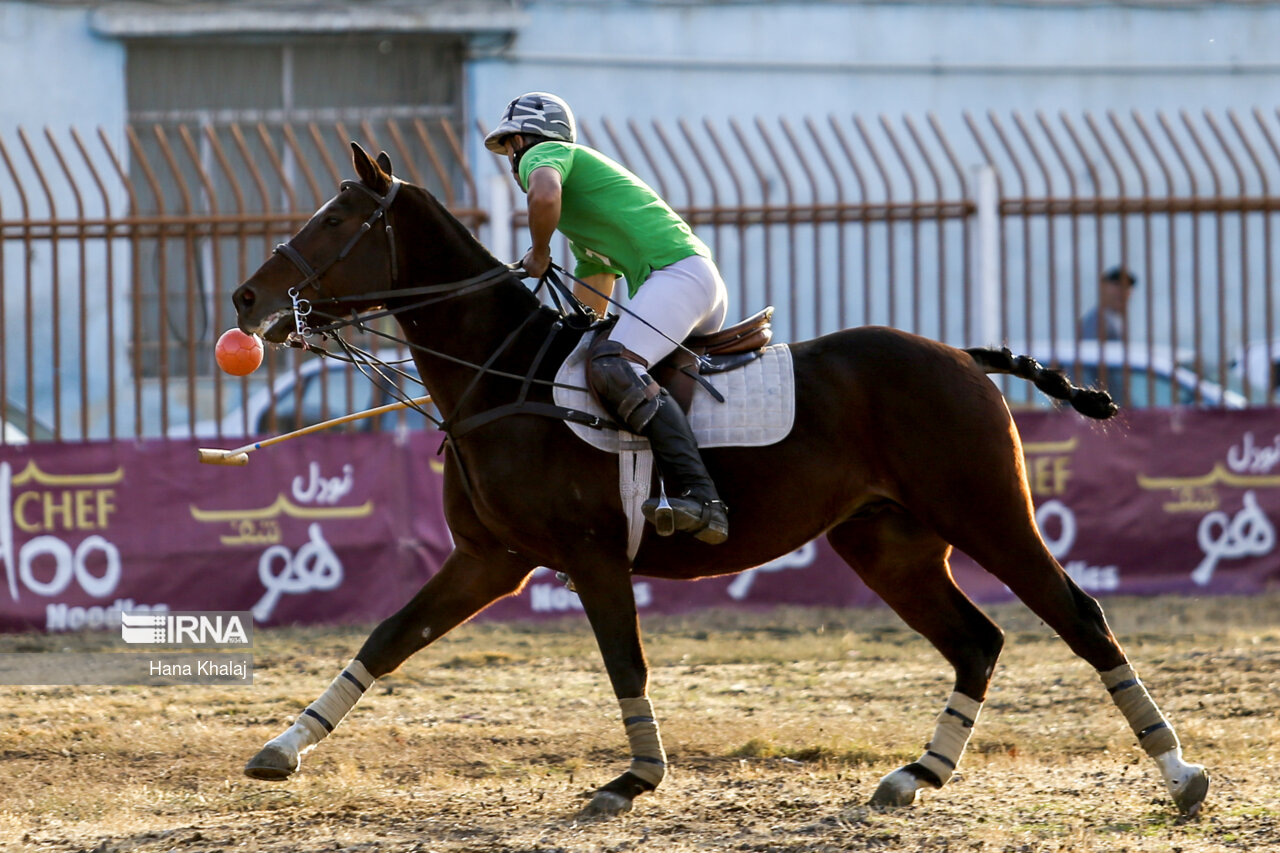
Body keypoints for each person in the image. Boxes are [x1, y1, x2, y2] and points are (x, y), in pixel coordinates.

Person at [485, 92, 729, 545]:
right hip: (691, 283)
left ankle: (703, 498)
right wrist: (568, 338)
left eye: (510, 148)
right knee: (590, 369)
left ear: (522, 139)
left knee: (614, 364)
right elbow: (593, 293)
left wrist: (538, 255)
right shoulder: (585, 220)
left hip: (678, 277)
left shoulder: (545, 154)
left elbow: (543, 194)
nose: (512, 160)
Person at [1078, 266, 1137, 341]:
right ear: (1102, 287)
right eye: (1117, 284)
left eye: (1127, 286)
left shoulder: (1114, 317)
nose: (1122, 291)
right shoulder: (1097, 319)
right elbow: (1090, 351)